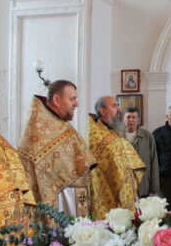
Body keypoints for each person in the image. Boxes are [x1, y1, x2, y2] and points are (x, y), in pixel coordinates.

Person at [18, 80, 96, 217]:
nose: (76, 104)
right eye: (72, 99)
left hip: (74, 203)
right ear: (56, 99)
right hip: (60, 208)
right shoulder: (38, 129)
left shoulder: (59, 124)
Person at [88, 96, 146, 219]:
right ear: (102, 111)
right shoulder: (95, 135)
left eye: (118, 105)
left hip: (126, 193)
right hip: (106, 195)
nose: (119, 109)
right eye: (114, 106)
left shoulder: (113, 131)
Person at [123, 107, 160, 198]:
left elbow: (153, 160)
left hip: (142, 183)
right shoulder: (117, 135)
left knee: (142, 211)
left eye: (133, 117)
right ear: (123, 119)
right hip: (123, 184)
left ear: (138, 120)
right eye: (128, 117)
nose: (131, 120)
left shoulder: (147, 136)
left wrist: (154, 185)